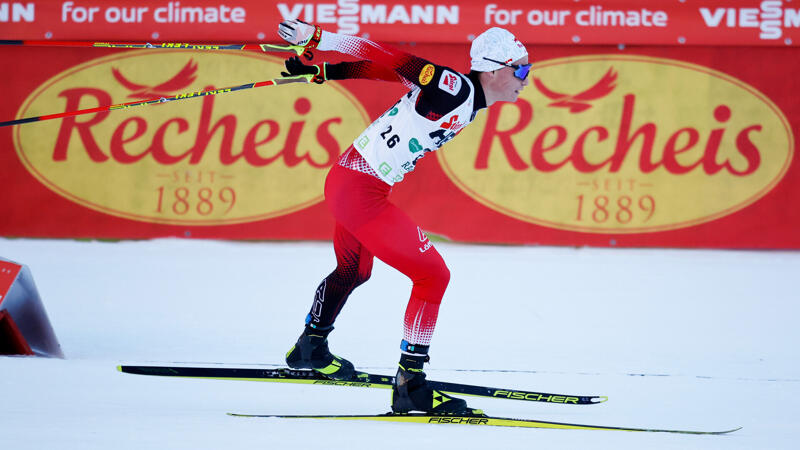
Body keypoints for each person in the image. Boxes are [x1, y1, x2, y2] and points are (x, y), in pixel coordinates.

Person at [278, 20, 530, 415]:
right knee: (433, 275)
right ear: (495, 69)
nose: (525, 79)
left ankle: (310, 346)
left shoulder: (460, 98)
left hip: (351, 182)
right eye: (521, 70)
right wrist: (319, 40)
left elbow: (382, 71)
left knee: (353, 270)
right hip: (360, 191)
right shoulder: (455, 87)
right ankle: (411, 383)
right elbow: (386, 56)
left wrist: (326, 71)